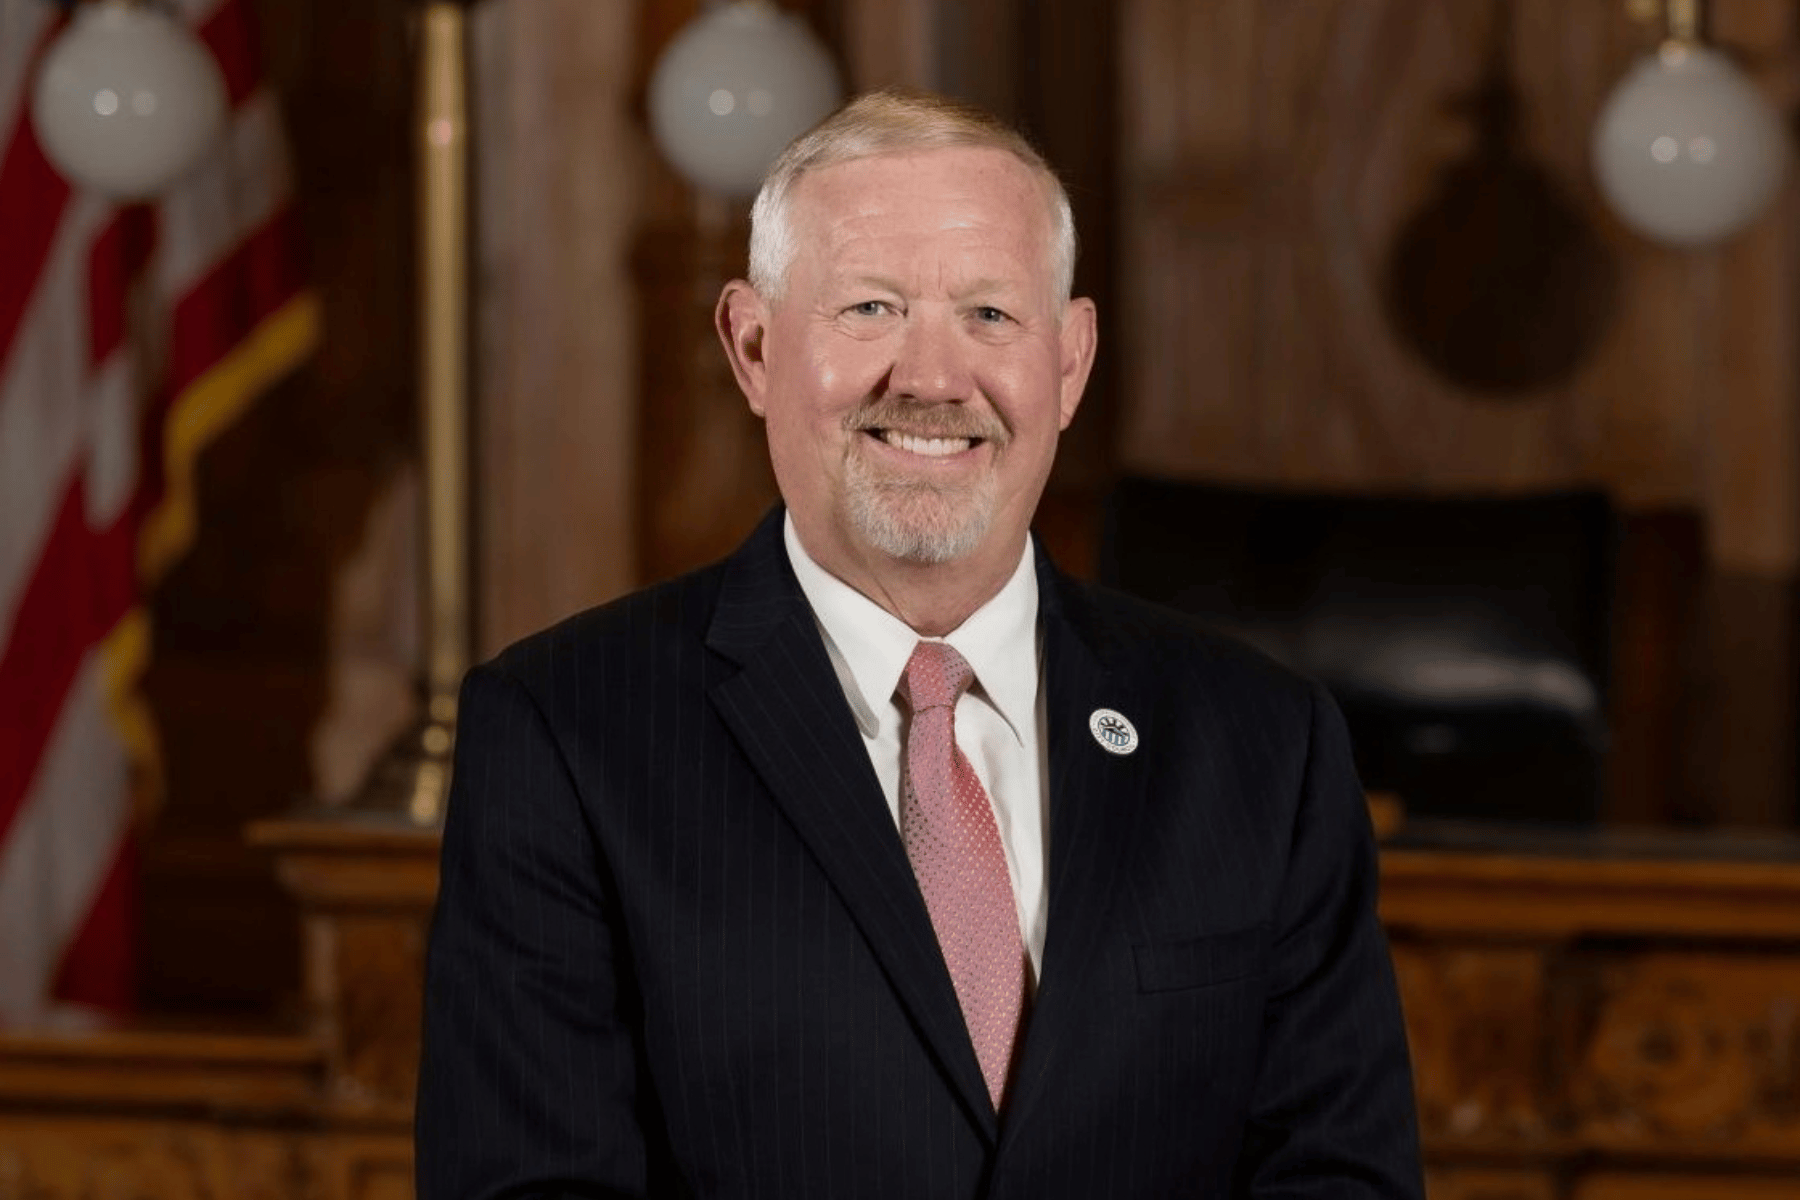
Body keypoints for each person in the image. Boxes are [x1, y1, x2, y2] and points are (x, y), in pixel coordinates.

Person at [416, 89, 1422, 1199]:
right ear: (752, 346)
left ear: (1071, 361)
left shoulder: (1264, 745)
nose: (934, 379)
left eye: (990, 315)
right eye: (871, 309)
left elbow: (1342, 1179)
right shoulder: (564, 734)